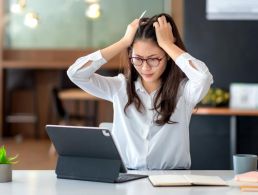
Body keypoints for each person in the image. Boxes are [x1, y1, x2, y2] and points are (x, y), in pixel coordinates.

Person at [67, 13, 213, 170]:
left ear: (168, 56)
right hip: (128, 178)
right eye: (138, 59)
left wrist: (168, 44)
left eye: (153, 59)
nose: (145, 67)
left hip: (172, 180)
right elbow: (76, 73)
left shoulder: (184, 91)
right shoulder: (119, 87)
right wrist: (123, 42)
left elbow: (203, 78)